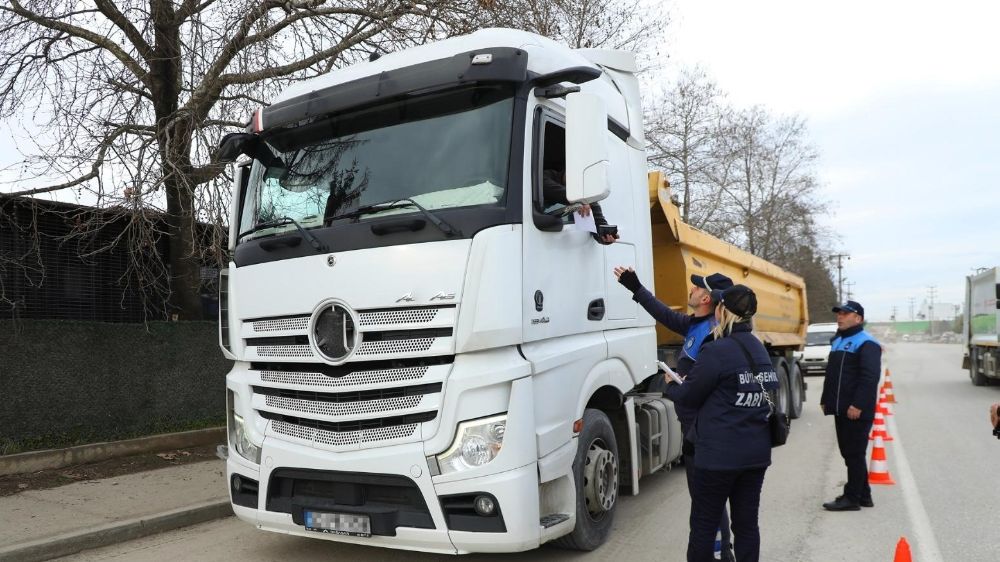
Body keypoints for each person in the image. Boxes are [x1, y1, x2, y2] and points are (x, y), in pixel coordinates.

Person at [615, 268, 737, 561]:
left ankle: (722, 552)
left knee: (708, 498)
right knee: (704, 498)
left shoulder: (715, 334)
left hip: (704, 428)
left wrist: (678, 382)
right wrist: (636, 288)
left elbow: (711, 382)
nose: (691, 290)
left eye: (696, 288)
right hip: (693, 425)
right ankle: (720, 549)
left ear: (707, 298)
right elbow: (664, 315)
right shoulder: (696, 325)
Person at [663, 284, 777, 562]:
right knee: (747, 524)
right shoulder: (759, 349)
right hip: (756, 454)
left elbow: (689, 396)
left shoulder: (717, 351)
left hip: (718, 458)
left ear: (722, 310)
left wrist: (671, 385)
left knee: (704, 524)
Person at [819, 300, 882, 511]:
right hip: (840, 408)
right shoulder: (838, 341)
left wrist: (858, 405)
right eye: (839, 313)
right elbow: (833, 375)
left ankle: (852, 498)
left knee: (853, 454)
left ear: (858, 318)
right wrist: (825, 399)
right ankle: (865, 495)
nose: (840, 316)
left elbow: (869, 378)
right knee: (851, 453)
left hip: (855, 410)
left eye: (846, 313)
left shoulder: (866, 343)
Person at [542, 169, 617, 244]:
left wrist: (606, 237)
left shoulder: (588, 197)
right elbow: (543, 184)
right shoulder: (548, 174)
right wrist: (577, 199)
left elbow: (599, 224)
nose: (576, 180)